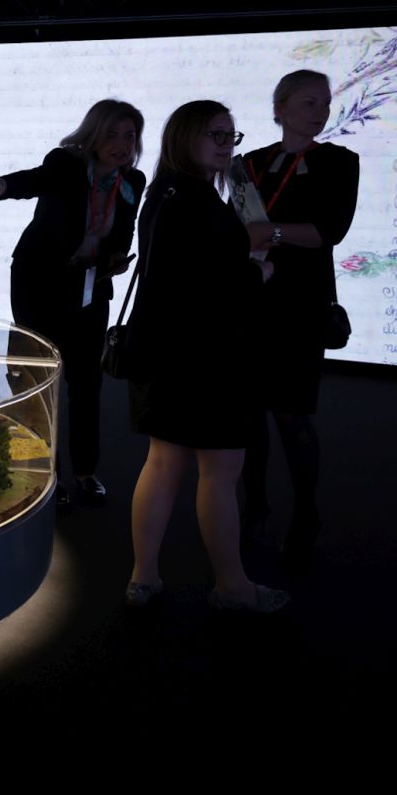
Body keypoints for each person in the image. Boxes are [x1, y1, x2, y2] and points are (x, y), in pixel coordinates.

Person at [123, 100, 288, 612]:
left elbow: (175, 276)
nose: (225, 145)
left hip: (163, 355)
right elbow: (207, 285)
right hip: (211, 359)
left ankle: (143, 577)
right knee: (219, 472)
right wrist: (256, 272)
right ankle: (233, 587)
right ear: (185, 137)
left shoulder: (162, 192)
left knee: (162, 462)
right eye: (214, 134)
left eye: (230, 136)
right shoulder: (197, 200)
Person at [0, 99, 145, 505]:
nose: (122, 144)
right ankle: (46, 475)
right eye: (112, 135)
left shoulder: (133, 181)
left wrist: (115, 258)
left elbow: (124, 230)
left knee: (86, 382)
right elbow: (34, 181)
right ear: (93, 135)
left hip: (90, 285)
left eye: (130, 136)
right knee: (37, 378)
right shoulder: (66, 164)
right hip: (39, 282)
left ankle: (86, 472)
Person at [238, 70, 359, 569]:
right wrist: (264, 236)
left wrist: (270, 233)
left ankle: (306, 514)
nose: (320, 112)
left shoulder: (339, 161)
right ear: (280, 108)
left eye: (325, 103)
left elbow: (329, 231)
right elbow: (239, 228)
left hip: (302, 304)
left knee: (291, 414)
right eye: (309, 102)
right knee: (249, 416)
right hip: (250, 300)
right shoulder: (249, 162)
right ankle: (254, 509)